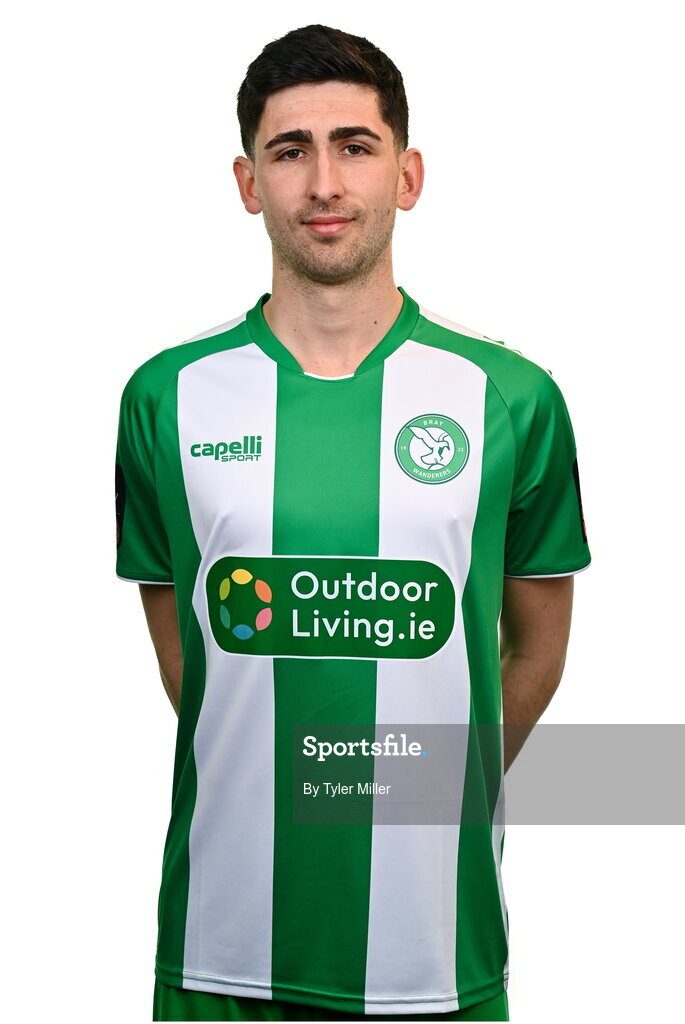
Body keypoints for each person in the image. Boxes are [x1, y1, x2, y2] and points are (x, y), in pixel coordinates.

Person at [114, 23, 591, 1023]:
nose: (322, 181)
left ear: (406, 175)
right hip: (220, 952)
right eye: (290, 151)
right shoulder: (166, 398)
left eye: (354, 145)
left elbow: (535, 651)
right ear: (248, 182)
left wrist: (402, 786)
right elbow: (190, 661)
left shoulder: (511, 398)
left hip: (432, 956)